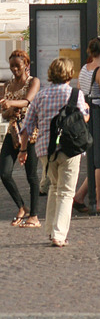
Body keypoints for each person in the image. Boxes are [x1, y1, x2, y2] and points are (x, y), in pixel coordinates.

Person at [19, 58, 89, 248]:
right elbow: (84, 117)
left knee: (54, 187)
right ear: (70, 73)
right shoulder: (75, 94)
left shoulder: (41, 96)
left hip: (45, 149)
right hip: (70, 148)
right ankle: (59, 234)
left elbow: (27, 126)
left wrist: (23, 150)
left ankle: (50, 229)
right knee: (66, 191)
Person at [73, 38, 100, 214]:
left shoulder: (85, 68)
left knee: (97, 160)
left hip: (87, 115)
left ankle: (82, 196)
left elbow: (79, 90)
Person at [0, 49, 41, 227]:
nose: (15, 70)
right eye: (12, 67)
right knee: (4, 172)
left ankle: (35, 215)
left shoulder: (34, 81)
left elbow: (28, 101)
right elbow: (4, 112)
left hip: (30, 132)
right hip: (13, 132)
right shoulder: (6, 86)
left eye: (18, 66)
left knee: (31, 175)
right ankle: (21, 206)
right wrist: (8, 109)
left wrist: (11, 104)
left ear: (26, 65)